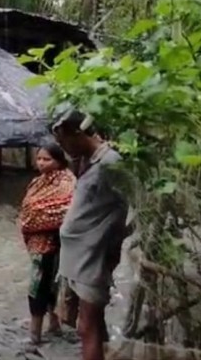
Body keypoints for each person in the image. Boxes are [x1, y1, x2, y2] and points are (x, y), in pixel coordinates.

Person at [52, 109, 131, 360]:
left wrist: (111, 247)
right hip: (78, 259)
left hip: (92, 258)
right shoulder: (89, 160)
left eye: (63, 141)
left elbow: (127, 209)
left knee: (88, 327)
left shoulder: (111, 163)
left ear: (78, 133)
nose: (62, 148)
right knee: (91, 326)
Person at [18, 143, 76, 345]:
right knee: (42, 285)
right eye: (39, 158)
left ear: (59, 161)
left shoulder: (67, 182)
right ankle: (44, 328)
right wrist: (32, 216)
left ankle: (44, 329)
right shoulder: (37, 182)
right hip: (38, 243)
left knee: (47, 286)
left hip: (56, 242)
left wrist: (33, 215)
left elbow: (65, 210)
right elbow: (28, 210)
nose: (41, 163)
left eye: (47, 159)